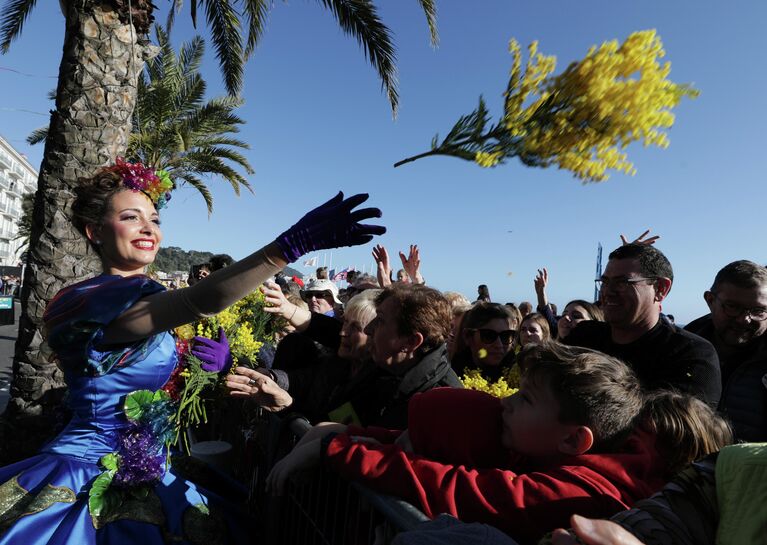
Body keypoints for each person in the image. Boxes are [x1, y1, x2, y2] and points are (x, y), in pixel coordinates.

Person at [0, 161, 385, 543]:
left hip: (149, 466)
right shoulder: (91, 300)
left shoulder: (143, 300)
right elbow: (200, 301)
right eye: (132, 217)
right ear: (95, 231)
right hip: (86, 472)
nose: (149, 228)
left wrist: (213, 370)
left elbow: (140, 382)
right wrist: (286, 248)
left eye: (154, 218)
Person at [266, 343, 731, 545]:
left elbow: (466, 490)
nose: (505, 403)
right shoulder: (563, 453)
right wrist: (352, 435)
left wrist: (337, 452)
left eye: (525, 398)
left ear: (573, 439)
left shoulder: (587, 496)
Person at [564, 243, 722, 407]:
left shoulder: (691, 356)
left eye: (622, 282)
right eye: (605, 282)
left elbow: (680, 427)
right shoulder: (583, 337)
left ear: (660, 288)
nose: (608, 292)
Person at [684, 260, 767, 441]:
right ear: (710, 300)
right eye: (733, 307)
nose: (744, 319)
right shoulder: (679, 350)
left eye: (758, 310)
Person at [450, 303, 517, 382]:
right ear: (468, 337)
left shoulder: (522, 375)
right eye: (489, 336)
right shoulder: (450, 378)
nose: (499, 345)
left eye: (506, 336)